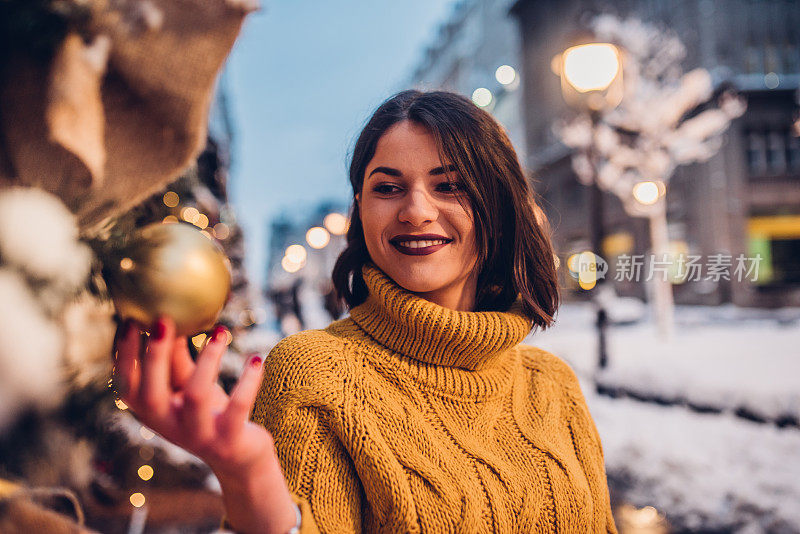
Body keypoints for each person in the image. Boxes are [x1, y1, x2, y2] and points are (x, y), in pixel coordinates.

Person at [113, 90, 617, 533]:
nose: (416, 210)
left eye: (449, 185)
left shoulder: (555, 386)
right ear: (361, 208)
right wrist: (250, 477)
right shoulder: (315, 374)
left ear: (501, 207)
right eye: (388, 187)